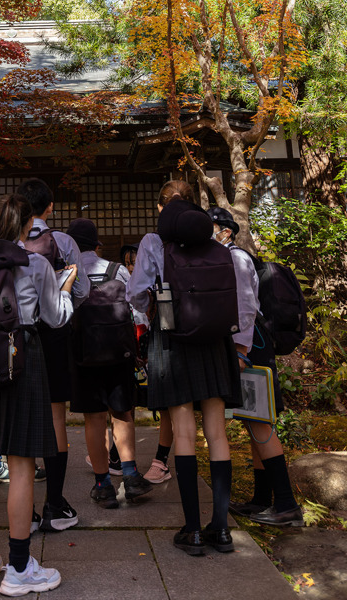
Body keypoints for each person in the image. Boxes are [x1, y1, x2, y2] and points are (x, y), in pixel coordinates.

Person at [0, 193, 77, 595]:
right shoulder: (37, 263)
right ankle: (20, 567)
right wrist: (66, 291)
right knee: (22, 463)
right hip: (22, 361)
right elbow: (55, 317)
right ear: (31, 224)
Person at [128, 180, 247, 556]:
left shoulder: (153, 243)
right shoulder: (216, 243)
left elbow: (135, 292)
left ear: (162, 208)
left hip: (173, 339)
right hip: (214, 339)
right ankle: (222, 529)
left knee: (183, 432)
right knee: (217, 433)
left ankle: (193, 530)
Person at [209, 207, 304, 528]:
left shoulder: (236, 258)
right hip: (251, 347)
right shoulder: (231, 257)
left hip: (252, 349)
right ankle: (263, 499)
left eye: (211, 227)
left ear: (226, 230)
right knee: (253, 422)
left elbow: (246, 307)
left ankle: (287, 505)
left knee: (261, 424)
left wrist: (239, 352)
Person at [16, 178, 90, 532]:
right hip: (55, 335)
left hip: (19, 338)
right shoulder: (61, 241)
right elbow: (84, 289)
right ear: (48, 207)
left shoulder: (8, 242)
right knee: (55, 418)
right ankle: (55, 505)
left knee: (25, 418)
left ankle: (25, 511)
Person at [66, 217, 152, 509]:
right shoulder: (118, 271)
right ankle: (130, 476)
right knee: (122, 412)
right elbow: (138, 312)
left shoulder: (68, 273)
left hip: (83, 354)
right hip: (119, 354)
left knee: (94, 418)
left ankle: (102, 484)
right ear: (98, 245)